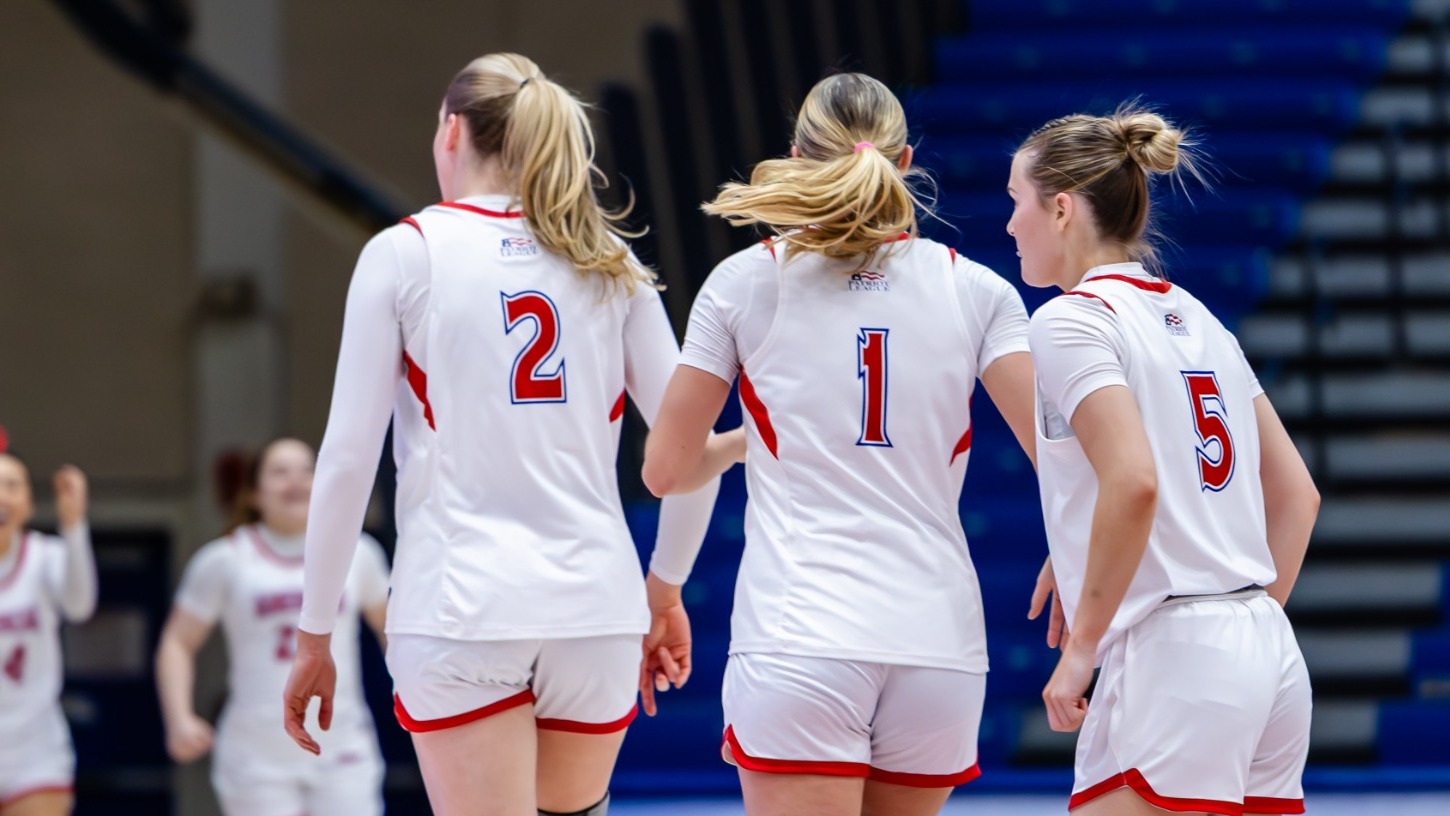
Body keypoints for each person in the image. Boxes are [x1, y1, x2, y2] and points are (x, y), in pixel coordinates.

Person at [280, 53, 734, 816]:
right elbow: (689, 451)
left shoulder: (405, 251)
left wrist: (314, 633)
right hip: (594, 609)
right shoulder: (608, 258)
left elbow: (349, 460)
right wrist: (664, 588)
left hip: (462, 609)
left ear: (451, 131)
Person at [642, 72, 1037, 816]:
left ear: (797, 158)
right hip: (937, 644)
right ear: (906, 162)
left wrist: (746, 444)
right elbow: (1066, 463)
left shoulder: (745, 282)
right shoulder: (979, 290)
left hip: (801, 636)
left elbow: (665, 471)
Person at [1009, 106, 1319, 815]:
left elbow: (1134, 481)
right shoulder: (1199, 315)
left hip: (1178, 656)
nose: (1009, 224)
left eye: (1016, 200)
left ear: (1061, 209)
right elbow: (1298, 495)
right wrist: (1235, 634)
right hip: (1265, 645)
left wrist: (1082, 650)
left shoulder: (1069, 319)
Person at [155, 438, 389, 816]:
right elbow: (177, 643)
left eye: (306, 470)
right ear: (253, 493)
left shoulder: (359, 552)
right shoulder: (224, 559)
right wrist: (179, 719)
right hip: (256, 753)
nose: (295, 481)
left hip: (343, 747)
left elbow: (391, 630)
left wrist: (419, 695)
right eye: (280, 472)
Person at [0, 449, 97, 816]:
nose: (1, 495)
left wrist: (73, 527)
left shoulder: (46, 555)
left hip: (34, 750)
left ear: (28, 502)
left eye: (12, 486)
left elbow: (80, 606)